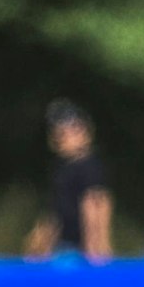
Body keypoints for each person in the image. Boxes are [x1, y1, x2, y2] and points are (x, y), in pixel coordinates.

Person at [24, 100, 113, 262]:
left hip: (80, 249)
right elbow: (56, 210)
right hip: (63, 246)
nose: (66, 137)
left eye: (73, 131)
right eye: (60, 134)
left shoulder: (89, 166)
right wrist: (41, 241)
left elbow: (96, 204)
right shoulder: (61, 168)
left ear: (85, 132)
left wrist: (96, 248)